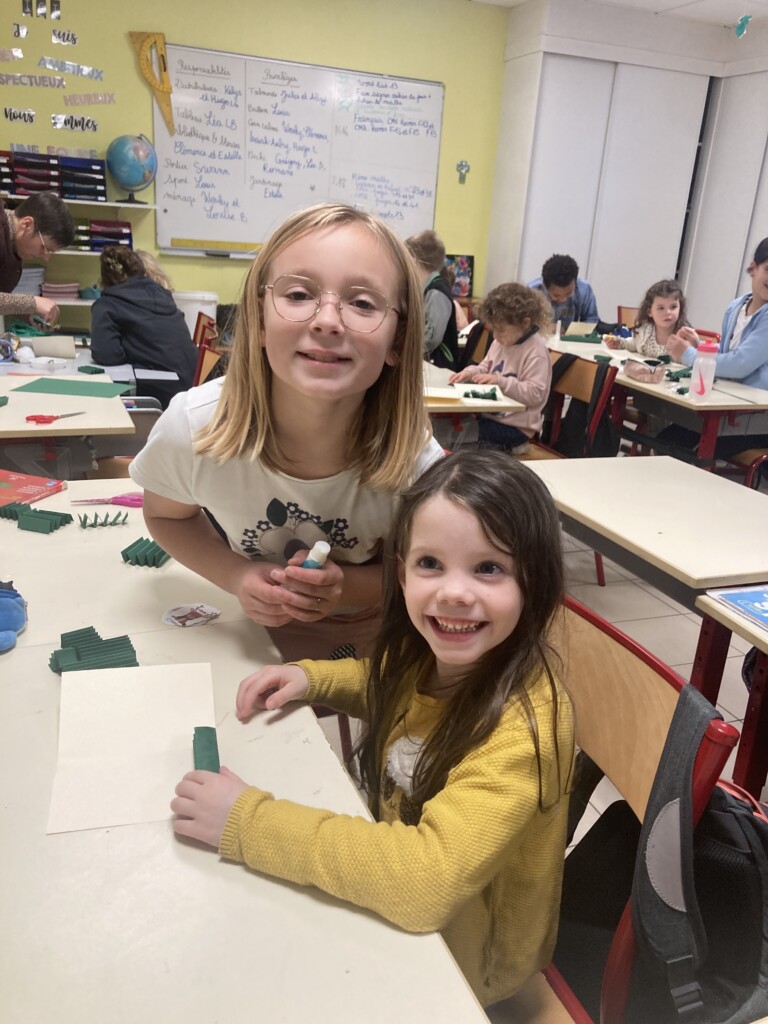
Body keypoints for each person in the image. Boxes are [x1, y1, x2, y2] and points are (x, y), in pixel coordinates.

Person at [170, 449, 575, 1009]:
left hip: (467, 963)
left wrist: (246, 821)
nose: (454, 592)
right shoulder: (434, 652)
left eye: (489, 568)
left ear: (538, 581)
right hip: (409, 918)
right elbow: (382, 682)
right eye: (431, 563)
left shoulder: (523, 729)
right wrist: (311, 677)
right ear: (401, 573)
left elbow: (425, 881)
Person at [129, 203, 442, 662]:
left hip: (371, 637)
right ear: (259, 320)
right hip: (244, 634)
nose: (327, 320)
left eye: (362, 303)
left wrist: (345, 586)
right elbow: (166, 516)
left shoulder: (418, 465)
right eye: (298, 294)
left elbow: (426, 572)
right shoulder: (194, 427)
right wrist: (235, 575)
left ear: (397, 339)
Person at [664, 237, 768, 458]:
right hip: (726, 405)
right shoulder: (736, 307)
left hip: (754, 417)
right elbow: (729, 353)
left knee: (687, 452)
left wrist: (689, 354)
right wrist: (701, 347)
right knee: (667, 440)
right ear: (753, 268)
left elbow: (741, 363)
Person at [449, 282, 553, 454]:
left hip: (516, 429)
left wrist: (500, 382)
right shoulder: (500, 342)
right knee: (453, 431)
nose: (496, 336)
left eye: (501, 330)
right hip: (491, 419)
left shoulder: (536, 351)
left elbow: (535, 394)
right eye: (493, 330)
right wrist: (469, 373)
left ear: (525, 323)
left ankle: (514, 448)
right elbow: (485, 367)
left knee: (460, 442)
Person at [90, 246, 198, 410]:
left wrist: (127, 350)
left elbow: (107, 354)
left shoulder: (107, 305)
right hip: (190, 390)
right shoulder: (164, 297)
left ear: (104, 280)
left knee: (100, 402)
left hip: (160, 396)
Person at [0, 192, 75, 325]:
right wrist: (32, 303)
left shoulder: (13, 246)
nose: (45, 257)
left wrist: (27, 314)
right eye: (44, 247)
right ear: (27, 224)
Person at [405, 229, 459, 370]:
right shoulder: (425, 289)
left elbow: (430, 338)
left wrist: (403, 353)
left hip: (437, 367)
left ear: (413, 259)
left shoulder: (436, 292)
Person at [604, 279, 688, 358]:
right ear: (650, 312)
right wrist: (620, 343)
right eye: (661, 308)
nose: (668, 312)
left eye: (673, 307)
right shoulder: (646, 331)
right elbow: (635, 344)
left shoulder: (684, 337)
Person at [528, 253, 598, 331]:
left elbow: (591, 320)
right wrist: (542, 328)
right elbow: (521, 324)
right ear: (545, 286)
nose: (563, 299)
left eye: (568, 294)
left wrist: (575, 332)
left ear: (575, 283)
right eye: (556, 295)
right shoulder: (531, 292)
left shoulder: (584, 289)